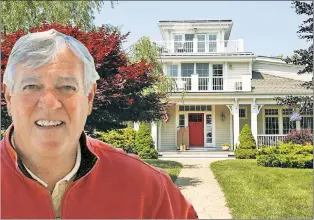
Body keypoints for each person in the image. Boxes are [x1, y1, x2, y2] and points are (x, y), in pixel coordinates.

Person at [1, 29, 198, 219]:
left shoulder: (149, 188)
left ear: (89, 97)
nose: (50, 102)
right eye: (31, 86)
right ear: (9, 97)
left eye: (67, 87)